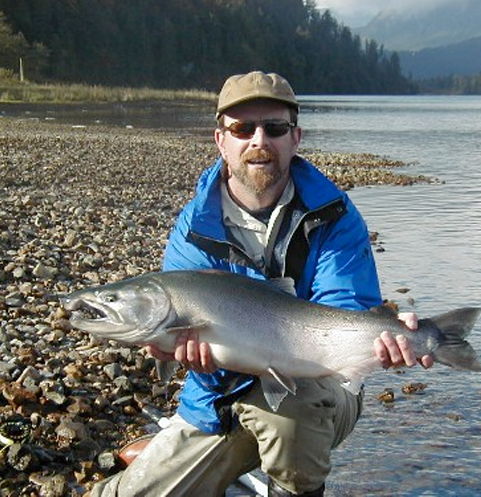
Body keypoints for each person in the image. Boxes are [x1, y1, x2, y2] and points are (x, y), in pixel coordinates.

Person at [90, 71, 433, 497]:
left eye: (274, 128)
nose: (259, 141)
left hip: (319, 389)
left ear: (295, 138)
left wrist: (389, 341)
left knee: (292, 413)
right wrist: (187, 358)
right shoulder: (195, 227)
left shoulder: (335, 216)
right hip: (219, 400)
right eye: (242, 128)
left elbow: (342, 314)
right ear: (221, 140)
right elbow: (185, 355)